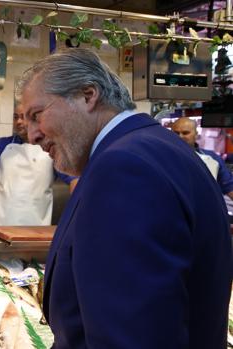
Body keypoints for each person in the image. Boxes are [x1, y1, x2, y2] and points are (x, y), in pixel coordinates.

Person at [19, 48, 231, 348]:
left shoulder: (124, 167)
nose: (32, 135)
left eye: (36, 116)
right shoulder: (156, 146)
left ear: (87, 95)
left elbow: (132, 337)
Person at [0, 102, 76, 226]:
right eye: (15, 117)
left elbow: (73, 180)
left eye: (23, 117)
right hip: (2, 222)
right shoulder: (2, 145)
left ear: (36, 119)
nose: (18, 122)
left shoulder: (51, 148)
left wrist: (74, 214)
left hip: (37, 225)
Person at [171, 116, 233, 199]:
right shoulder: (161, 157)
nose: (180, 137)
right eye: (176, 133)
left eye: (185, 133)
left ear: (196, 134)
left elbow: (229, 188)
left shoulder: (212, 159)